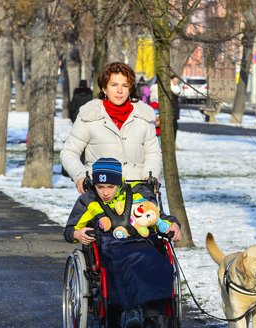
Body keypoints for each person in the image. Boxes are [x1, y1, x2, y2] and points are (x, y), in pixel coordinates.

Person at [64, 157, 181, 327]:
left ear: (119, 183)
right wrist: (77, 232)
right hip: (111, 246)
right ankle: (132, 309)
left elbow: (157, 217)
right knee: (127, 262)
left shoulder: (137, 194)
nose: (105, 192)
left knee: (157, 260)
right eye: (100, 187)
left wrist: (175, 225)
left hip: (142, 242)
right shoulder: (88, 200)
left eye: (110, 187)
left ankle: (154, 307)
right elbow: (68, 230)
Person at [60, 62, 162, 194]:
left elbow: (153, 153)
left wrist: (150, 175)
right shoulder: (89, 115)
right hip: (100, 193)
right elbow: (69, 152)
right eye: (114, 85)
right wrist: (80, 176)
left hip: (138, 192)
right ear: (104, 88)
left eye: (125, 85)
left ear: (130, 88)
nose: (119, 90)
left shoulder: (143, 116)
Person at [170, 75, 181, 141]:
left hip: (175, 113)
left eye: (177, 81)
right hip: (171, 113)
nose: (176, 82)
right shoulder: (169, 89)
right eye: (174, 81)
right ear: (171, 80)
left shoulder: (177, 89)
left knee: (175, 128)